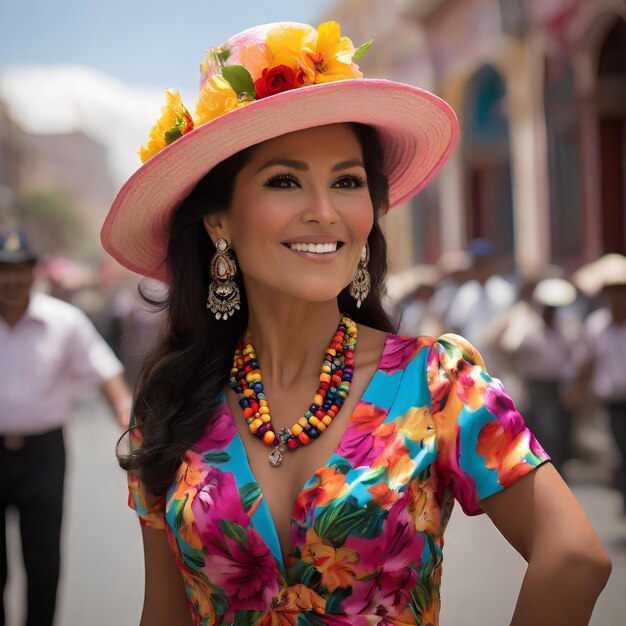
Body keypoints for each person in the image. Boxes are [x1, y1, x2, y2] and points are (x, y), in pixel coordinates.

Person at [101, 21, 611, 626]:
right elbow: (163, 614)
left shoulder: (439, 383)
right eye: (284, 181)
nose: (323, 212)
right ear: (219, 222)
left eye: (347, 181)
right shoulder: (169, 403)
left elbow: (575, 555)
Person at [0, 227, 132, 626]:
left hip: (44, 455)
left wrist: (127, 418)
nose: (13, 279)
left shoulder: (64, 321)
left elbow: (107, 373)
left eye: (21, 269)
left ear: (35, 272)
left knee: (43, 560)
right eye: (5, 270)